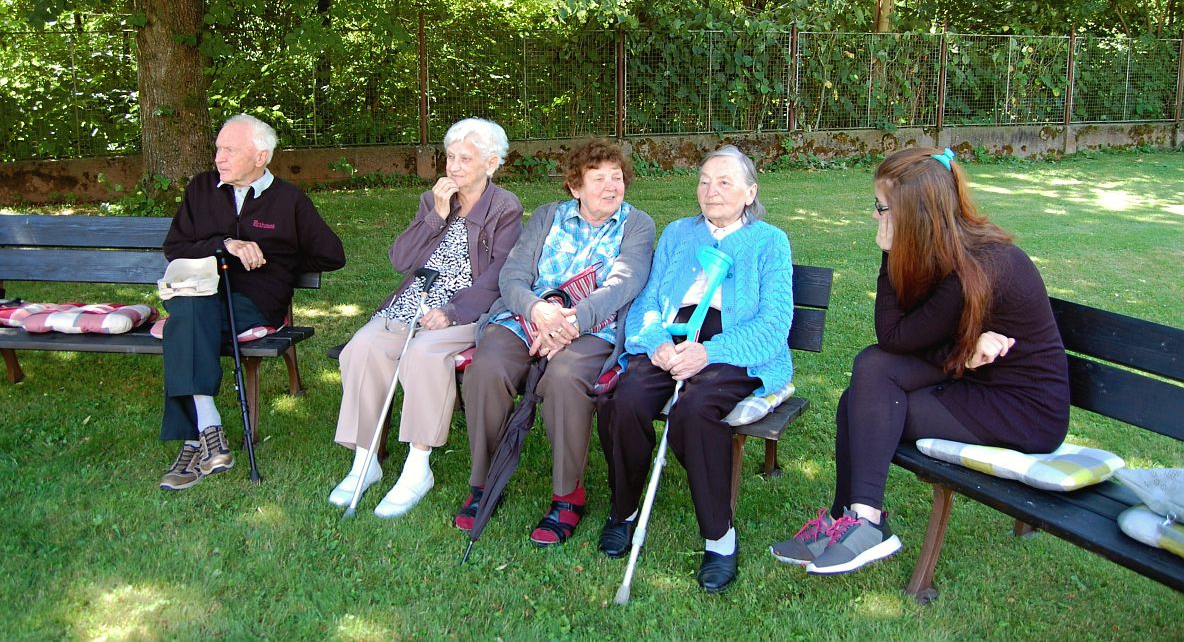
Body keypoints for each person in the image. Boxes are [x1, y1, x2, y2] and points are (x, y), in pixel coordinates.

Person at [771, 146, 1069, 575]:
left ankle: (866, 524)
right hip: (974, 378)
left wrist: (889, 254)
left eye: (882, 207)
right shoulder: (948, 251)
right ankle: (847, 520)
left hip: (1023, 410)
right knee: (865, 382)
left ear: (914, 215)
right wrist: (964, 351)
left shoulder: (983, 266)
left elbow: (895, 337)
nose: (875, 215)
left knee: (870, 382)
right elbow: (906, 337)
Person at [596, 145, 793, 594]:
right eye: (704, 181)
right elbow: (648, 300)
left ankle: (719, 537)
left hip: (734, 346)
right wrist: (657, 343)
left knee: (696, 408)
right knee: (623, 399)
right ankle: (624, 510)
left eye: (724, 182)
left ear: (750, 192)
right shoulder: (678, 233)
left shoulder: (770, 242)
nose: (711, 191)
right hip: (672, 335)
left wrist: (710, 352)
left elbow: (774, 323)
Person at [454, 139, 655, 546]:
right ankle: (483, 482)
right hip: (529, 317)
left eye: (616, 178)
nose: (611, 187)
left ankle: (567, 494)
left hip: (594, 327)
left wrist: (573, 322)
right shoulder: (548, 216)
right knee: (486, 369)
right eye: (598, 179)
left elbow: (625, 283)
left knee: (564, 378)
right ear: (575, 187)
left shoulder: (637, 224)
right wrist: (538, 312)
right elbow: (513, 276)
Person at [331, 118, 523, 518]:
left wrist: (452, 312)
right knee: (362, 348)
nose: (453, 166)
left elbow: (500, 276)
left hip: (466, 309)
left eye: (465, 159)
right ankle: (364, 460)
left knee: (422, 354)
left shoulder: (504, 207)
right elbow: (401, 259)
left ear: (491, 164)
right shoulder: (433, 199)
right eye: (450, 157)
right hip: (413, 301)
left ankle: (418, 467)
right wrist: (436, 214)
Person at [159, 114, 346, 490]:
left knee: (183, 322)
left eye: (230, 150)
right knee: (191, 306)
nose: (219, 157)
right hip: (201, 290)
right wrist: (224, 245)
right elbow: (175, 248)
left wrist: (278, 262)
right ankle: (208, 428)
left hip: (255, 302)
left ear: (261, 157)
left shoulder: (289, 201)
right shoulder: (201, 189)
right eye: (218, 149)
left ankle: (195, 440)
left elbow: (332, 254)